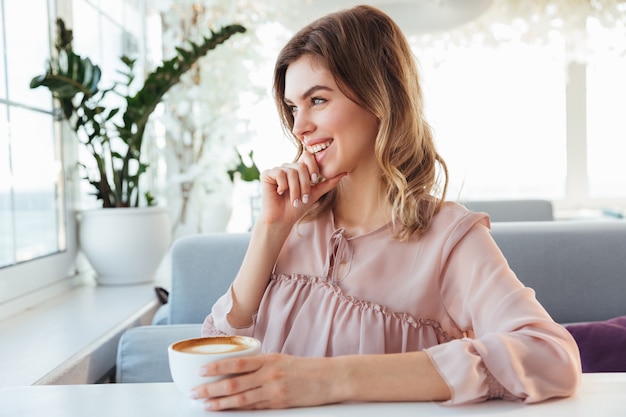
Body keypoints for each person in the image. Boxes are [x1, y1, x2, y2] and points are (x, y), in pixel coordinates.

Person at [193, 4, 581, 411]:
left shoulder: (448, 238)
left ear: (379, 98)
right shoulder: (288, 225)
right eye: (293, 107)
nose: (299, 127)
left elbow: (550, 355)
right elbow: (211, 366)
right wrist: (269, 231)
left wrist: (330, 379)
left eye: (318, 100)